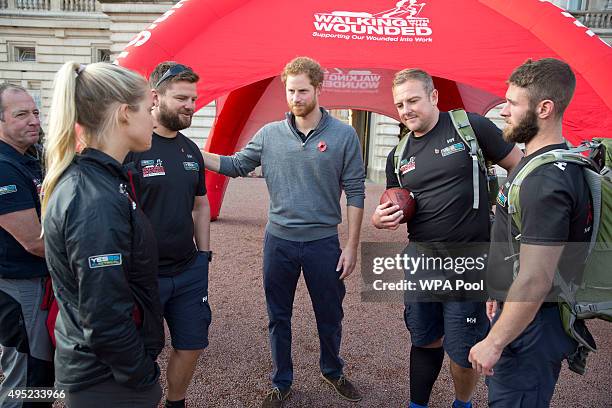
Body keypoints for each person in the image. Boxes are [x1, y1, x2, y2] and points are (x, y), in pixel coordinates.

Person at [202, 56, 365, 408]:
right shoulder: (269, 135)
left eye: (303, 90)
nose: (296, 97)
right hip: (279, 241)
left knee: (330, 313)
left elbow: (355, 191)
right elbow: (235, 165)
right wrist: (195, 153)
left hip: (324, 241)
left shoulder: (344, 135)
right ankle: (282, 381)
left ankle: (332, 370)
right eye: (290, 91)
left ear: (319, 89)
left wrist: (351, 246)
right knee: (278, 315)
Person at [371, 68, 522, 408]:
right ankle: (417, 404)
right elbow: (393, 202)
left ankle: (462, 404)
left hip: (469, 263)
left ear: (433, 97)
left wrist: (502, 211)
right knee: (424, 340)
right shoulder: (398, 155)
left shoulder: (470, 127)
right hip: (422, 261)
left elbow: (518, 165)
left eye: (413, 100)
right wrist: (380, 219)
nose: (406, 109)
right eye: (399, 104)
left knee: (463, 349)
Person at [468, 58, 592, 407]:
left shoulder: (546, 180)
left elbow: (536, 279)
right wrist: (498, 288)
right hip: (523, 316)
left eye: (512, 103)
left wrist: (493, 343)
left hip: (532, 327)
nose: (503, 111)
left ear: (544, 108)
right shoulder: (540, 161)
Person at [41, 62, 164, 407]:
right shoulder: (94, 198)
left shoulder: (103, 180)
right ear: (125, 114)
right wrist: (142, 376)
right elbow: (104, 315)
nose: (154, 119)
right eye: (149, 108)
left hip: (103, 373)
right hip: (106, 381)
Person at [125, 61, 211, 408]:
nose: (191, 105)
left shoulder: (190, 150)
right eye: (182, 98)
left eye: (193, 98)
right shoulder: (133, 148)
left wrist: (204, 256)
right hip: (143, 276)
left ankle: (177, 402)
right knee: (141, 352)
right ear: (155, 97)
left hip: (189, 271)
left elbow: (200, 205)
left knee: (191, 345)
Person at [0, 83, 54, 408]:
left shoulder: (27, 157)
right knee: (24, 378)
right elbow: (35, 242)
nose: (34, 120)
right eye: (21, 115)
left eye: (35, 112)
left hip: (37, 284)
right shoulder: (4, 167)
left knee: (42, 374)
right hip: (20, 289)